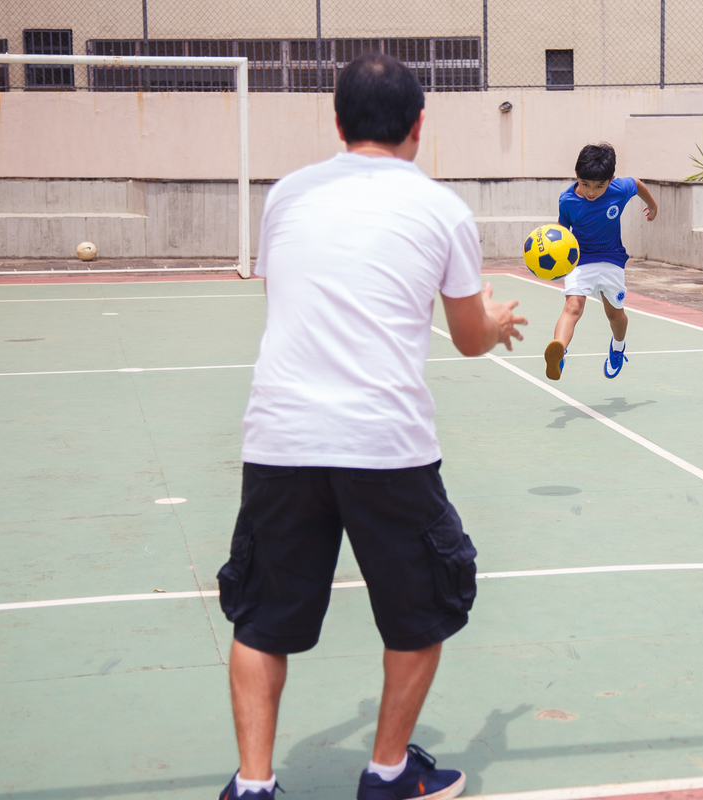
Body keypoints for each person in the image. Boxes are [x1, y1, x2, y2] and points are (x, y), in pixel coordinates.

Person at [216, 52, 527, 800]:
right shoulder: (442, 209)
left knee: (261, 619)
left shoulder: (287, 196)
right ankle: (387, 775)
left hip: (282, 435)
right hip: (385, 444)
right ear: (419, 127)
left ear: (337, 121)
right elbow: (468, 337)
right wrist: (496, 316)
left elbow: (303, 292)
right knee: (420, 612)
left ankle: (253, 786)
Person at [543, 143, 657, 381]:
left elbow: (636, 184)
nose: (591, 192)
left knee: (615, 316)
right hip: (581, 260)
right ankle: (559, 352)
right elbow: (562, 231)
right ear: (577, 176)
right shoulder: (568, 201)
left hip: (612, 259)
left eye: (599, 186)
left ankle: (618, 347)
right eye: (585, 184)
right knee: (573, 306)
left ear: (611, 180)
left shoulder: (620, 189)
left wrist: (653, 205)